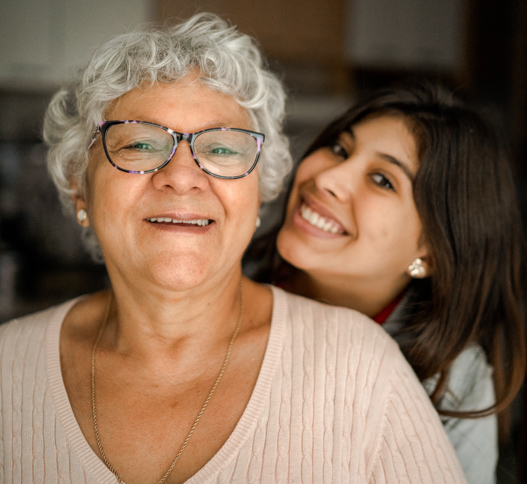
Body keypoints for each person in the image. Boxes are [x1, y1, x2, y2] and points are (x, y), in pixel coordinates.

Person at [0, 15, 467, 483]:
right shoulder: (7, 370)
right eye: (140, 143)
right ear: (80, 188)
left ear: (259, 192)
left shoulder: (362, 371)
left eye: (223, 149)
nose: (182, 177)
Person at [250, 81, 526, 484]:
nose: (329, 178)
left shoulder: (453, 382)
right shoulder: (224, 275)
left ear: (430, 253)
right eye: (340, 149)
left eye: (382, 180)